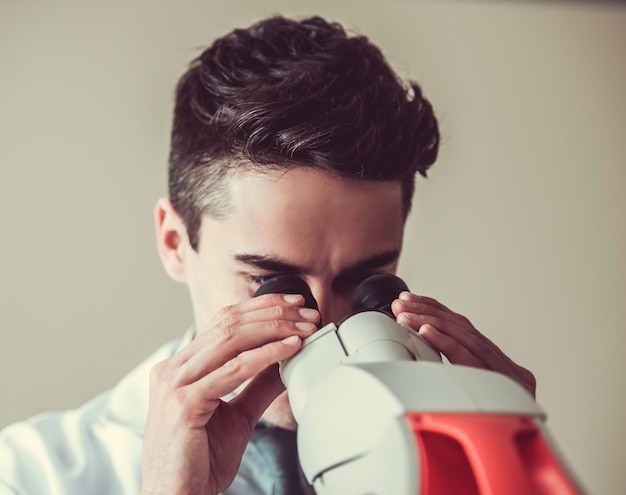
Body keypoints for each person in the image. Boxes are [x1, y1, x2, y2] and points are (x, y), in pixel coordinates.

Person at [0, 15, 536, 495]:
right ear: (174, 243)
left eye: (370, 282)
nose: (323, 326)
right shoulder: (28, 475)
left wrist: (516, 470)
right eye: (273, 286)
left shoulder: (466, 456)